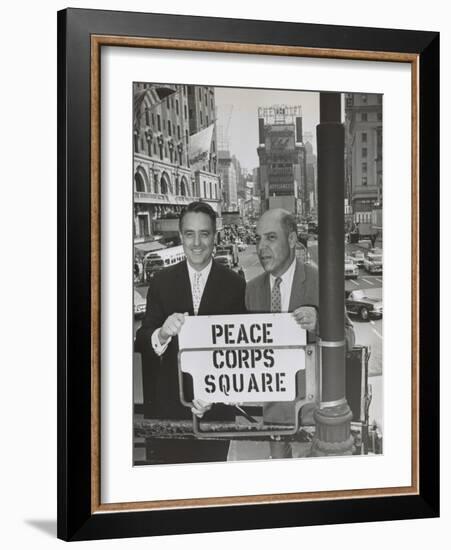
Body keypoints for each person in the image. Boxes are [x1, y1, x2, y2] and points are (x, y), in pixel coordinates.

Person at [135, 201, 246, 464]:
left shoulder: (236, 285)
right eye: (189, 234)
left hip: (217, 415)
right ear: (181, 236)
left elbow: (242, 356)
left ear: (214, 236)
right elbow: (142, 339)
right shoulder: (161, 283)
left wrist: (216, 397)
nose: (196, 243)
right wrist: (161, 334)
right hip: (169, 413)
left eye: (204, 234)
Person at [246, 208, 355, 459]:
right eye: (258, 238)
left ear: (292, 239)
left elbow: (349, 337)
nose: (262, 247)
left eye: (271, 238)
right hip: (274, 419)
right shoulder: (252, 290)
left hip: (314, 419)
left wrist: (321, 326)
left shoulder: (322, 281)